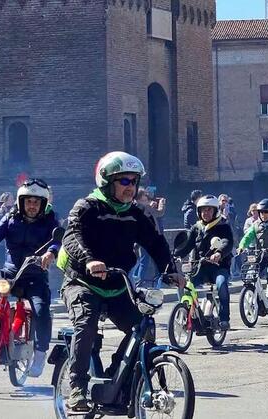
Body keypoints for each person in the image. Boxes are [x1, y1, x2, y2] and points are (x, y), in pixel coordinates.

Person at [58, 151, 183, 411]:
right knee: (87, 323)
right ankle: (78, 388)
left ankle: (116, 380)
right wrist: (90, 260)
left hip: (118, 284)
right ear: (106, 182)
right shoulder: (87, 207)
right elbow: (72, 237)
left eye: (134, 181)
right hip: (82, 281)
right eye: (124, 181)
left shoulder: (137, 214)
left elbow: (156, 243)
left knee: (143, 328)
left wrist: (171, 270)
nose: (131, 187)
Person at [0, 179, 60, 380]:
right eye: (28, 201)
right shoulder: (11, 218)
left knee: (41, 309)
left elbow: (56, 241)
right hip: (10, 273)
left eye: (36, 202)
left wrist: (50, 253)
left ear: (43, 205)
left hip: (34, 275)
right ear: (21, 202)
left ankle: (39, 353)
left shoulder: (50, 221)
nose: (32, 206)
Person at [174, 195, 235, 330]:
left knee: (221, 284)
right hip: (199, 267)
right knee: (184, 283)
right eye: (202, 210)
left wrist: (219, 253)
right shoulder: (197, 227)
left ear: (215, 211)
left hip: (219, 266)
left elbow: (227, 241)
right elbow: (187, 244)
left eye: (208, 210)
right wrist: (175, 254)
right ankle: (187, 311)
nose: (205, 213)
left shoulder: (223, 225)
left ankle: (224, 318)